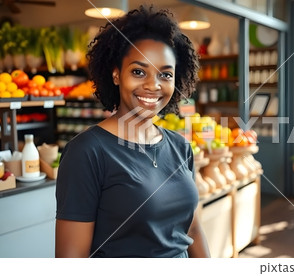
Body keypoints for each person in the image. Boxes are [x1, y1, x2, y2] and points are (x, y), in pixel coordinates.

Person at [55, 5, 210, 258]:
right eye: (139, 71)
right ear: (116, 74)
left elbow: (192, 228)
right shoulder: (87, 152)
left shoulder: (180, 147)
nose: (153, 85)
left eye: (165, 74)